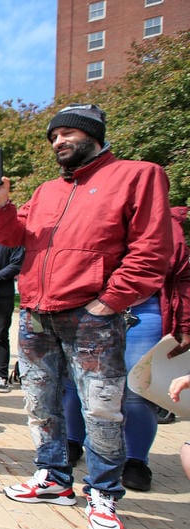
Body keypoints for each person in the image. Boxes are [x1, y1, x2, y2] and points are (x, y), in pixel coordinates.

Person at [0, 104, 172, 529]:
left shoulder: (139, 175)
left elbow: (151, 250)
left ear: (93, 134)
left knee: (103, 409)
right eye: (53, 137)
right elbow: (14, 238)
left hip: (92, 317)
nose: (58, 142)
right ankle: (53, 476)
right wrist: (0, 206)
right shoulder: (47, 191)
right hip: (36, 314)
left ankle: (103, 492)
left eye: (68, 133)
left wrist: (109, 302)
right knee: (39, 403)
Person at [63, 205, 189, 492]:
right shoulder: (90, 210)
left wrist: (184, 323)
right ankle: (71, 442)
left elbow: (181, 273)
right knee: (76, 382)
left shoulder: (165, 221)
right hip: (91, 307)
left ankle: (135, 459)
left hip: (145, 309)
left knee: (137, 388)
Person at [0, 245, 24, 393]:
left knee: (0, 336)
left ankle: (1, 376)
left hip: (2, 294)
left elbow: (16, 264)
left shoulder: (11, 238)